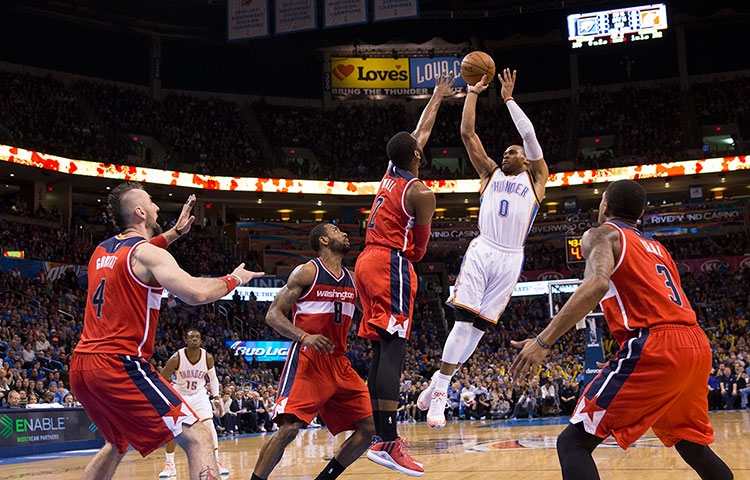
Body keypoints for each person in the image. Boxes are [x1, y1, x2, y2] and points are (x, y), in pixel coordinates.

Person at [508, 179, 734, 480]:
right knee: (690, 443)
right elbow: (655, 304)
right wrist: (627, 356)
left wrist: (542, 341)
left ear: (604, 206)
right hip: (694, 343)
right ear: (639, 213)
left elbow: (597, 283)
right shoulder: (658, 248)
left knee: (573, 442)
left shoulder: (602, 234)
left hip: (657, 347)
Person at [70, 183, 264, 480]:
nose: (157, 208)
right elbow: (194, 293)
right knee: (198, 434)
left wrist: (174, 233)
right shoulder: (146, 253)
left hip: (82, 365)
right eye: (151, 202)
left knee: (116, 444)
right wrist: (234, 279)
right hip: (119, 363)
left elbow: (135, 253)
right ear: (139, 212)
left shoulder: (101, 250)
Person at [418, 68, 549, 428]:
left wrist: (508, 99)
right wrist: (473, 92)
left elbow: (529, 134)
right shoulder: (490, 173)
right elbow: (467, 133)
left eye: (512, 152)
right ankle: (442, 391)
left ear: (526, 160)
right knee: (462, 321)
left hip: (511, 258)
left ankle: (436, 382)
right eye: (504, 152)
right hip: (483, 249)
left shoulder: (537, 180)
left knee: (476, 330)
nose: (505, 155)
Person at [355, 69, 456, 477]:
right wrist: (407, 259)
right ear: (416, 156)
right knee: (394, 349)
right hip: (391, 263)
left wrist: (437, 97)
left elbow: (420, 131)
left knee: (380, 350)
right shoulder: (421, 192)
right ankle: (387, 440)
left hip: (365, 260)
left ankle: (380, 435)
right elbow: (419, 247)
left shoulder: (391, 174)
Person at [250, 223, 375, 480]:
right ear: (323, 240)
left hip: (339, 362)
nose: (344, 233)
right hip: (308, 359)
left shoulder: (352, 278)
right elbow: (272, 315)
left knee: (371, 426)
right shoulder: (307, 272)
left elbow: (372, 316)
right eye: (337, 231)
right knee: (289, 428)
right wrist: (305, 336)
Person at [158, 328, 229, 478]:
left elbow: (213, 378)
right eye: (191, 337)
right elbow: (162, 377)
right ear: (186, 340)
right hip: (179, 394)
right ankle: (170, 464)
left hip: (199, 394)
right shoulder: (177, 357)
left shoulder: (207, 357)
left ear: (201, 340)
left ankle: (216, 461)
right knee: (174, 428)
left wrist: (216, 396)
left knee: (209, 425)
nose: (195, 339)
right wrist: (165, 396)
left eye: (197, 337)